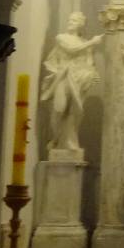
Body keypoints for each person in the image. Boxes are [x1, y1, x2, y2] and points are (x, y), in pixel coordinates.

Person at [39, 11, 103, 152]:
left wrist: (93, 74)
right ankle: (56, 139)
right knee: (59, 108)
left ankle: (70, 142)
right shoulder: (61, 38)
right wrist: (92, 42)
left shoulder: (85, 43)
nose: (70, 22)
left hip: (79, 78)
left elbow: (89, 62)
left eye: (73, 20)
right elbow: (71, 50)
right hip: (64, 76)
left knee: (75, 111)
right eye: (69, 20)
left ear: (81, 24)